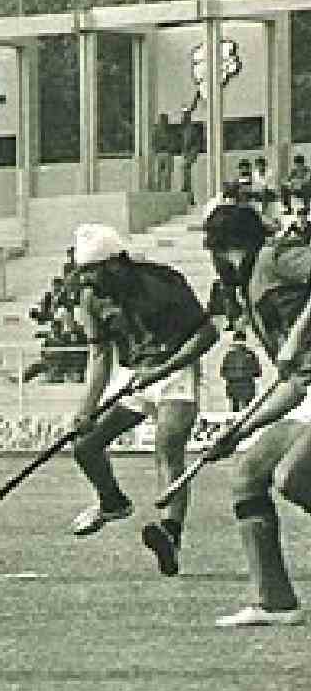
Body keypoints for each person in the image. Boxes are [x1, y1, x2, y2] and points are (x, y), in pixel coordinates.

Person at [64, 222, 218, 577]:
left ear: (116, 263)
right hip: (132, 376)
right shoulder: (91, 299)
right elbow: (100, 356)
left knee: (168, 445)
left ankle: (170, 532)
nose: (87, 282)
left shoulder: (163, 282)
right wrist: (85, 410)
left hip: (176, 369)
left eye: (93, 273)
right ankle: (112, 502)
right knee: (85, 445)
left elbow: (207, 333)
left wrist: (165, 369)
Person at [199, 203, 311, 625]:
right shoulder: (249, 287)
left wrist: (296, 337)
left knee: (294, 478)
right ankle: (275, 601)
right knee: (248, 474)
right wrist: (240, 427)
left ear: (229, 248)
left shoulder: (275, 257)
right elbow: (295, 384)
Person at [221, 330, 262, 413]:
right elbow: (257, 372)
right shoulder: (250, 354)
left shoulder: (229, 355)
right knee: (246, 410)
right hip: (245, 385)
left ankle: (236, 423)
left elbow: (223, 373)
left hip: (235, 385)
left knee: (236, 409)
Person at [179, 106, 199, 205]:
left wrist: (191, 154)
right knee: (185, 174)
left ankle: (189, 197)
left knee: (187, 173)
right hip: (187, 154)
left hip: (190, 154)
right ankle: (188, 196)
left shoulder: (190, 129)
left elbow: (192, 143)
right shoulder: (185, 129)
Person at [151, 112, 175, 192]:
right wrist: (155, 151)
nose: (163, 122)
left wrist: (170, 149)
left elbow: (172, 142)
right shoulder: (156, 131)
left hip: (167, 153)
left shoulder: (170, 131)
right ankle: (158, 189)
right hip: (159, 153)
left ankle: (167, 189)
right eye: (162, 120)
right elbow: (153, 142)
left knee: (167, 173)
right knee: (158, 173)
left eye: (164, 120)